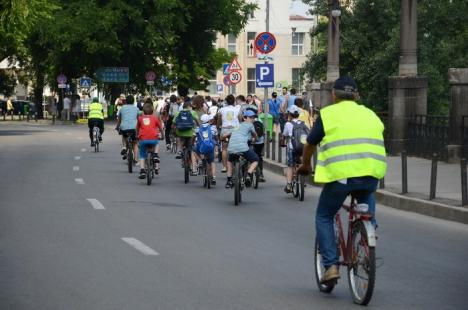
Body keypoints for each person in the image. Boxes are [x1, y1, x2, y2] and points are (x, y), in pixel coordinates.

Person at [297, 76, 386, 284]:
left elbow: (310, 143)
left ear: (334, 95)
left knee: (324, 215)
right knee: (365, 200)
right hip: (372, 174)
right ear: (356, 96)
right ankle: (368, 232)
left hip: (342, 176)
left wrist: (305, 165)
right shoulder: (371, 114)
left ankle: (330, 266)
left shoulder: (328, 114)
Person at [225, 110, 259, 189]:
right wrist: (256, 139)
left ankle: (229, 180)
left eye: (253, 117)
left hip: (231, 148)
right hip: (243, 148)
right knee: (255, 159)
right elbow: (254, 134)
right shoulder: (250, 125)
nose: (252, 119)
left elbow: (226, 134)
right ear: (244, 118)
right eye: (250, 117)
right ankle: (248, 174)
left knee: (229, 161)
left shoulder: (237, 126)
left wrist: (223, 137)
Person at [282, 105, 309, 193]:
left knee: (290, 166)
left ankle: (289, 185)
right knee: (301, 162)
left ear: (289, 114)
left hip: (291, 147)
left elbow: (284, 135)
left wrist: (282, 143)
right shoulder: (303, 123)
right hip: (302, 147)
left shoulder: (288, 124)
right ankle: (302, 180)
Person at [136, 102, 164, 179]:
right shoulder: (155, 118)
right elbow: (160, 128)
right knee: (157, 142)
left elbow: (137, 128)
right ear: (152, 111)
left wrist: (136, 136)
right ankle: (155, 154)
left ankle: (142, 170)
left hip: (143, 139)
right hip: (153, 139)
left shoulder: (140, 118)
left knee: (142, 155)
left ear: (143, 111)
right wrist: (163, 136)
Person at [173, 99, 200, 174]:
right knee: (191, 149)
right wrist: (199, 127)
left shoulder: (178, 112)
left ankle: (180, 152)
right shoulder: (193, 112)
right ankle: (194, 169)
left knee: (181, 140)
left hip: (180, 132)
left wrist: (174, 131)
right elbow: (198, 123)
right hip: (190, 133)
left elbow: (173, 124)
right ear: (189, 106)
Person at [217, 94, 240, 173]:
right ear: (234, 101)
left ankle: (224, 167)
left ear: (226, 101)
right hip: (235, 130)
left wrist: (219, 126)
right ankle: (236, 163)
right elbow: (240, 118)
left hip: (225, 130)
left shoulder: (221, 109)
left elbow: (219, 120)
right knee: (237, 146)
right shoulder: (237, 109)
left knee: (224, 148)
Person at [195, 114, 218, 185]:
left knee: (194, 150)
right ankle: (213, 177)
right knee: (212, 161)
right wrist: (217, 144)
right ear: (209, 120)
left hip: (201, 146)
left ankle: (199, 160)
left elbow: (194, 137)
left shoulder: (198, 128)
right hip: (210, 146)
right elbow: (216, 137)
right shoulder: (213, 128)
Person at [116, 95, 140, 160]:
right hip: (134, 128)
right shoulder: (136, 109)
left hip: (124, 128)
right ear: (133, 101)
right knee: (135, 143)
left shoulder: (122, 108)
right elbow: (139, 119)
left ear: (126, 101)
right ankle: (135, 158)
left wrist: (117, 127)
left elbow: (119, 120)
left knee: (123, 135)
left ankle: (124, 147)